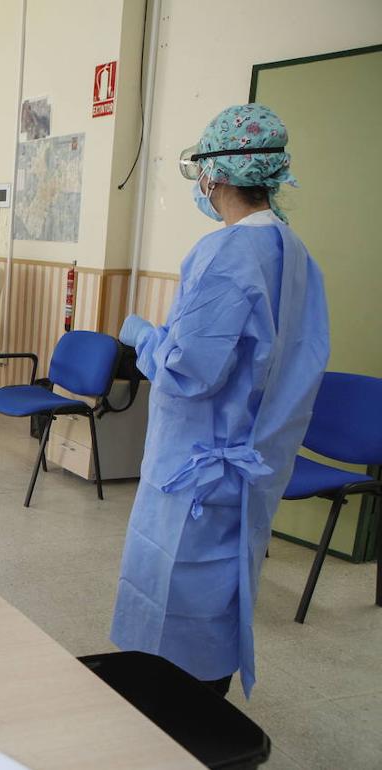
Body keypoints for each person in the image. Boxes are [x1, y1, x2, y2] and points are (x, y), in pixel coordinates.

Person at [110, 104, 329, 699]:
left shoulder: (226, 253)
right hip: (252, 460)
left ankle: (176, 716)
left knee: (176, 588)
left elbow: (189, 371)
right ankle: (206, 703)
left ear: (215, 173)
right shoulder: (294, 252)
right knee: (224, 585)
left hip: (197, 467)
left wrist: (144, 337)